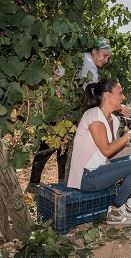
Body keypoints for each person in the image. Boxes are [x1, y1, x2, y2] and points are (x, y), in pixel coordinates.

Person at [25, 38, 114, 194]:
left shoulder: (86, 62)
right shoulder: (88, 66)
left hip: (63, 109)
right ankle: (34, 185)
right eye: (104, 55)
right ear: (94, 51)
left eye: (108, 57)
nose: (106, 60)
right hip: (60, 110)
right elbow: (91, 91)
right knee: (48, 146)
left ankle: (59, 184)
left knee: (63, 148)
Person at [67, 78, 131, 225]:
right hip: (86, 177)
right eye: (120, 93)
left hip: (98, 170)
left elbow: (103, 152)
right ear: (108, 95)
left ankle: (126, 204)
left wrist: (112, 170)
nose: (123, 97)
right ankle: (116, 210)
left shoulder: (113, 120)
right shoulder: (93, 115)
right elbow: (106, 150)